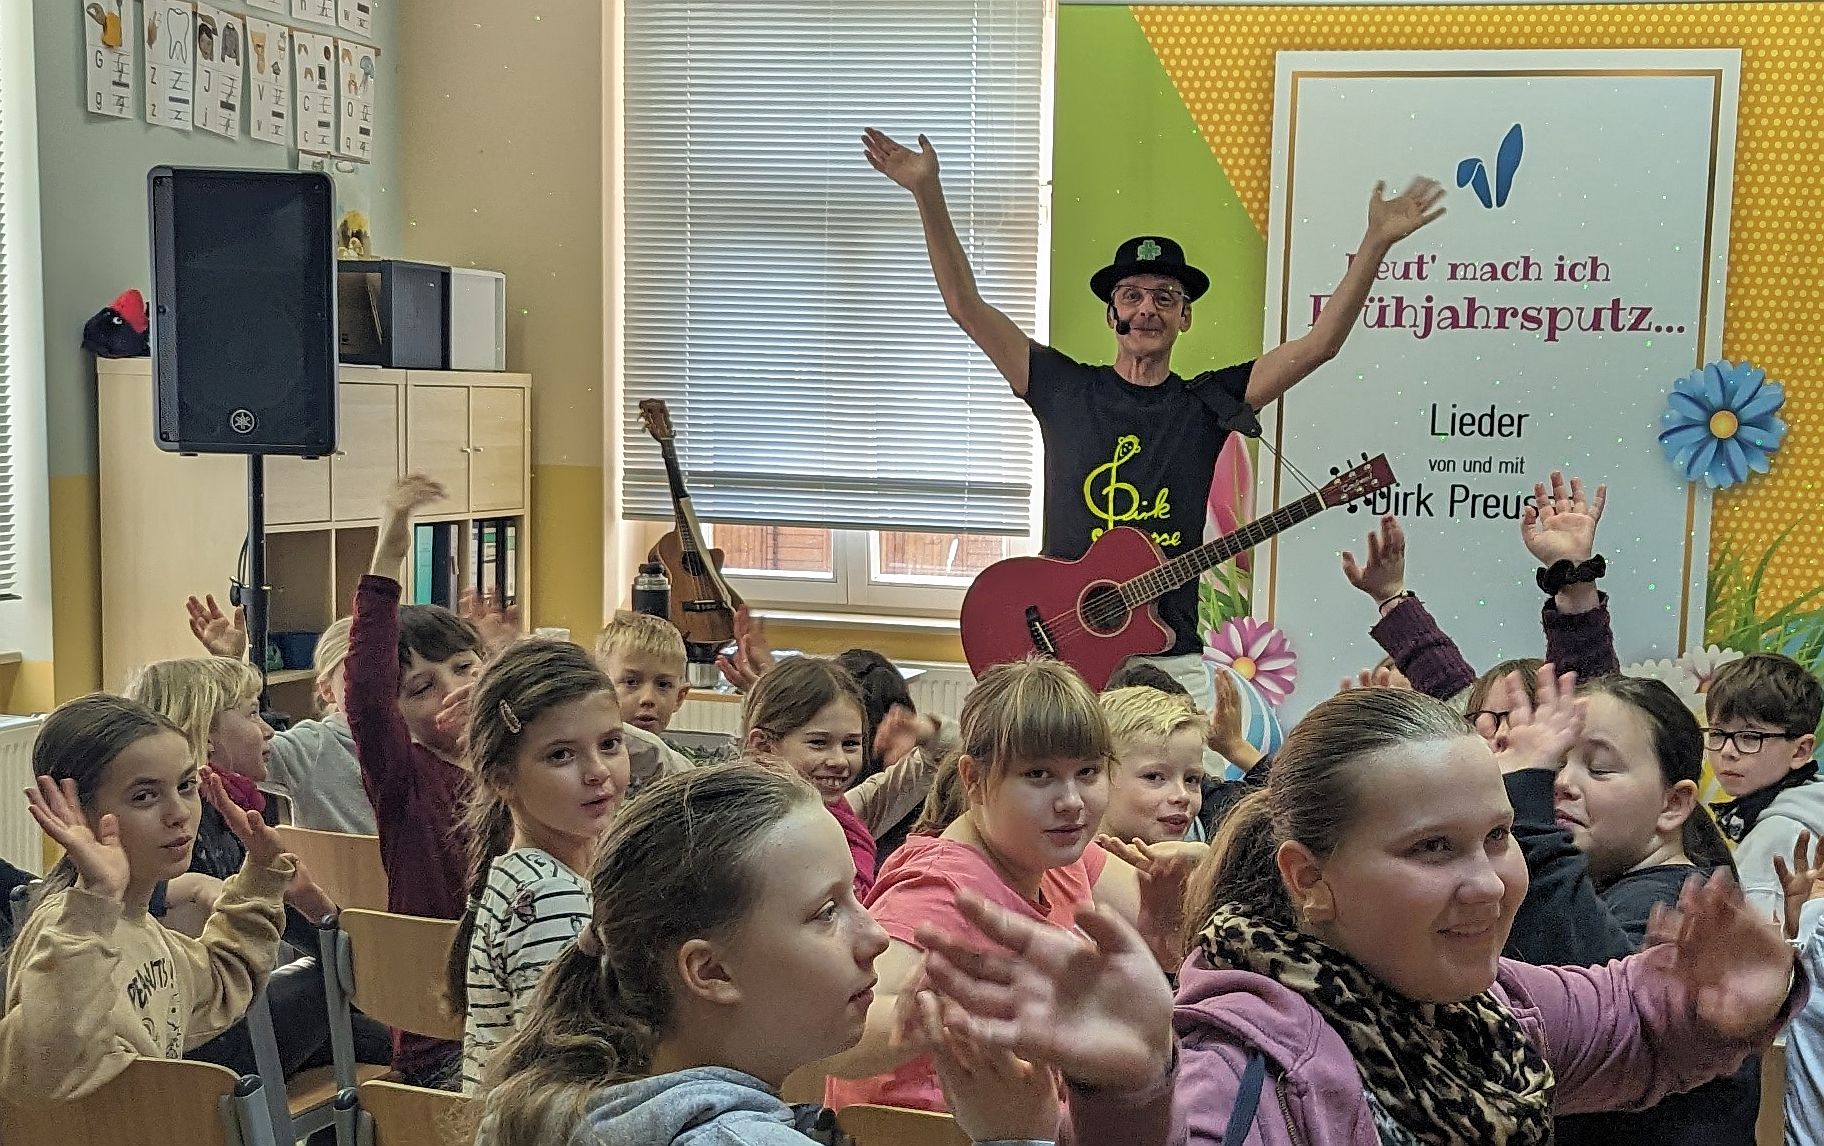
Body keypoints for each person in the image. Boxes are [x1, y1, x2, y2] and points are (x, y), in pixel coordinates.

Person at [863, 125, 1444, 703]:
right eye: (1132, 296)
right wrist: (926, 191)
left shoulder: (1210, 403)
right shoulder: (1062, 388)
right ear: (1111, 313)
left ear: (1184, 317)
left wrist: (1375, 242)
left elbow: (1319, 346)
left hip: (1171, 657)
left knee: (1188, 766)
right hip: (1063, 657)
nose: (1147, 309)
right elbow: (965, 306)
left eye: (1165, 297)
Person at [472, 762, 1177, 1146]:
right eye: (825, 913)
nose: (875, 937)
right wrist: (1019, 1142)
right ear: (710, 971)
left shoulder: (558, 1109)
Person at [820, 658, 1187, 1115]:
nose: (1071, 801)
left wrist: (1170, 919)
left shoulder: (1057, 854)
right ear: (974, 780)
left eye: (1088, 772)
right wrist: (936, 1014)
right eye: (1038, 775)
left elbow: (1171, 924)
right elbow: (837, 1036)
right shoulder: (939, 888)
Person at [1501, 670, 1757, 1145]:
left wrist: (1528, 815)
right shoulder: (1614, 886)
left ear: (1673, 804)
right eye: (1555, 763)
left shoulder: (1672, 905)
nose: (1562, 784)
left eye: (1598, 768)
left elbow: (1595, 1018)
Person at [0, 695, 289, 1102]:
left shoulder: (143, 928)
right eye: (144, 797)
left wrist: (260, 876)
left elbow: (224, 981)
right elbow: (43, 1071)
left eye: (186, 786)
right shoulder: (68, 934)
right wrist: (97, 898)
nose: (179, 812)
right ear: (73, 812)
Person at [346, 472, 489, 1087]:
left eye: (465, 669)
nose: (454, 690)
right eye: (423, 687)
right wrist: (389, 554)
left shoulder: (522, 766)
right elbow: (366, 695)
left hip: (533, 1018)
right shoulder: (406, 778)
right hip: (446, 1039)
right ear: (399, 711)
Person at [450, 640, 630, 1094]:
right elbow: (568, 1075)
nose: (597, 771)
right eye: (560, 755)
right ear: (502, 779)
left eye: (610, 744)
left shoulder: (526, 874)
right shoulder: (549, 896)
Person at [185, 601, 376, 833]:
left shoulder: (416, 738)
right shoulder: (311, 747)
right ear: (327, 690)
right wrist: (231, 663)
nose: (383, 687)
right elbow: (238, 746)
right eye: (362, 674)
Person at [1706, 652, 1824, 928]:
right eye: (1718, 733)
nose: (1727, 751)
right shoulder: (1806, 806)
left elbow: (1749, 944)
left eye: (1750, 737)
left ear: (1801, 751)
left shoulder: (1779, 832)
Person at [591, 610, 706, 795]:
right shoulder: (585, 764)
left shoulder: (681, 763)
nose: (648, 698)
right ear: (599, 686)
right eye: (631, 682)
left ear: (679, 697)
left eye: (663, 685)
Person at [1099, 685, 1207, 844]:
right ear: (1099, 776)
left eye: (1191, 780)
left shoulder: (1201, 857)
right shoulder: (1066, 860)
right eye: (1154, 777)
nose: (1182, 795)